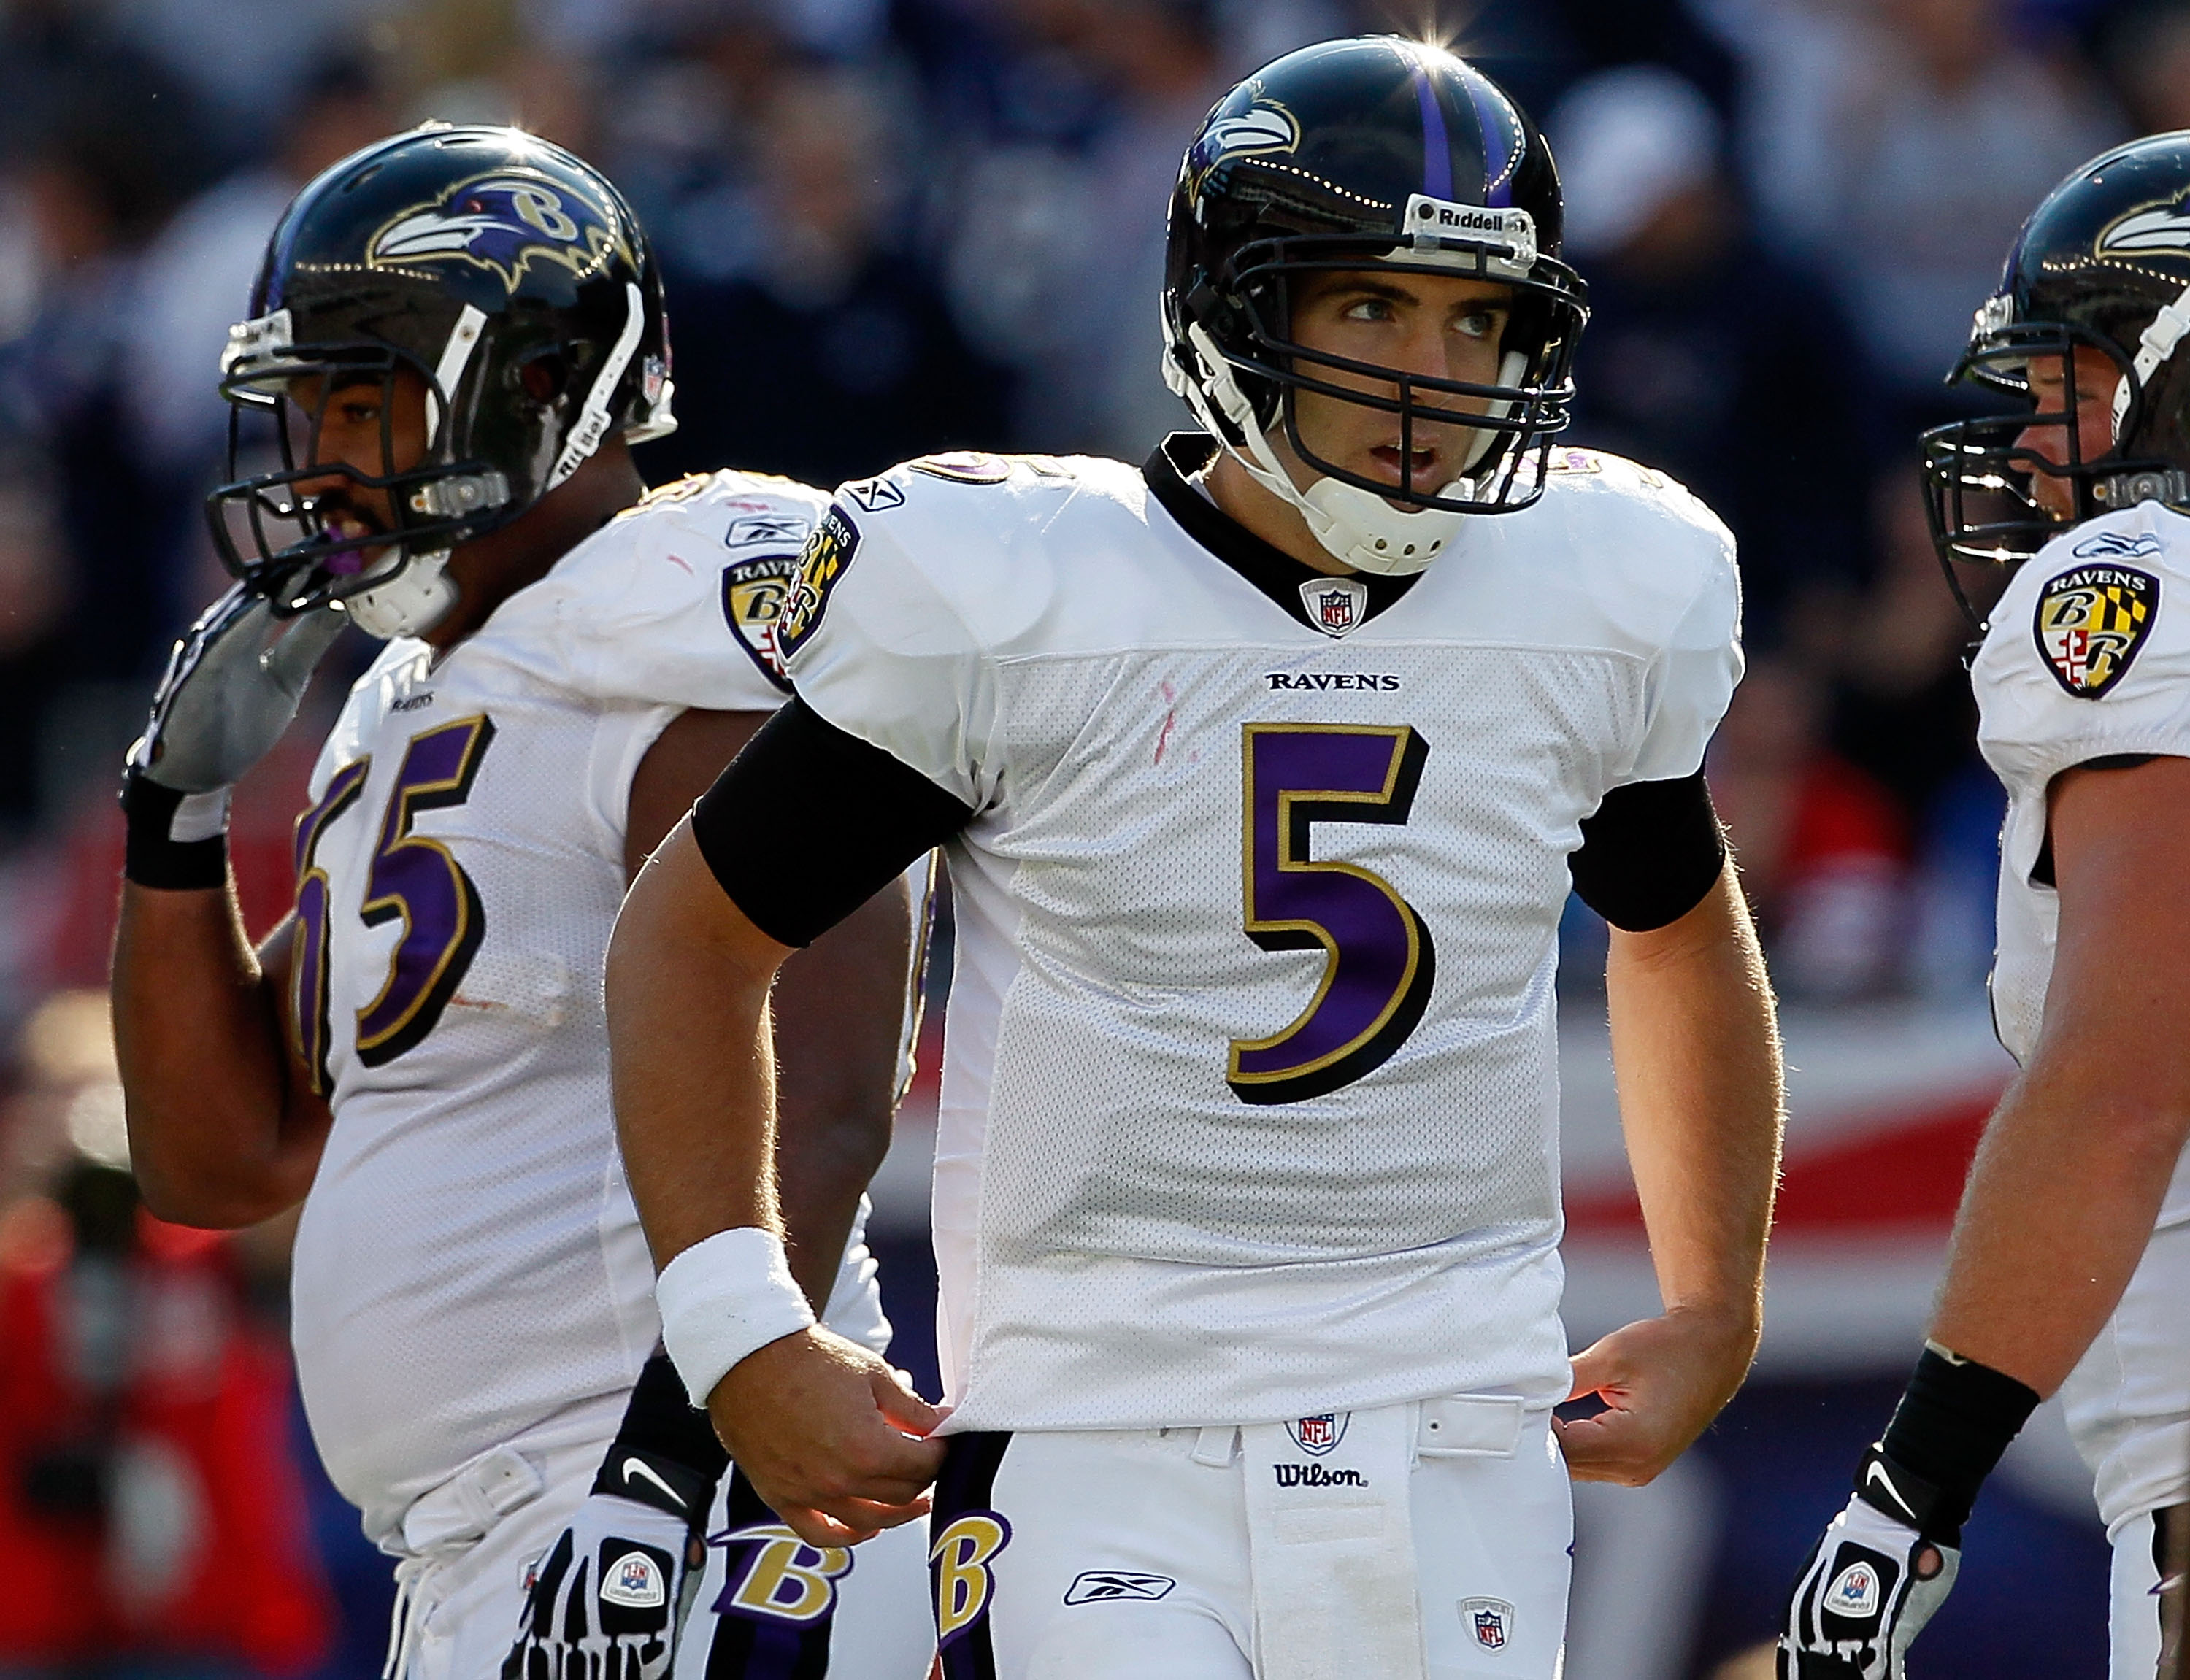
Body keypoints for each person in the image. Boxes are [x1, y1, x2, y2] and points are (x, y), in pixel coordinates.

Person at [605, 36, 1785, 1679]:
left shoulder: (1597, 582)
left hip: (1461, 1429)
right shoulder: (1022, 587)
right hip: (1102, 1435)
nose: (1434, 368)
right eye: (1371, 305)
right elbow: (692, 937)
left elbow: (1680, 929)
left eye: (1477, 316)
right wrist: (738, 1326)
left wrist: (1717, 1298)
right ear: (1233, 307)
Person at [106, 126, 930, 1680]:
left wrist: (669, 1469)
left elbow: (827, 1076)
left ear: (541, 387)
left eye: (366, 402)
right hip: (492, 1542)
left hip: (683, 1501)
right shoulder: (413, 695)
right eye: (303, 408)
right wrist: (174, 821)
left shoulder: (679, 592)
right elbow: (216, 1158)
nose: (317, 458)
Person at [1778, 131, 2190, 1680]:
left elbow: (2120, 1087)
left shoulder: (2144, 576)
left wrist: (1907, 1497)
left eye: (2071, 385)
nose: (2025, 447)